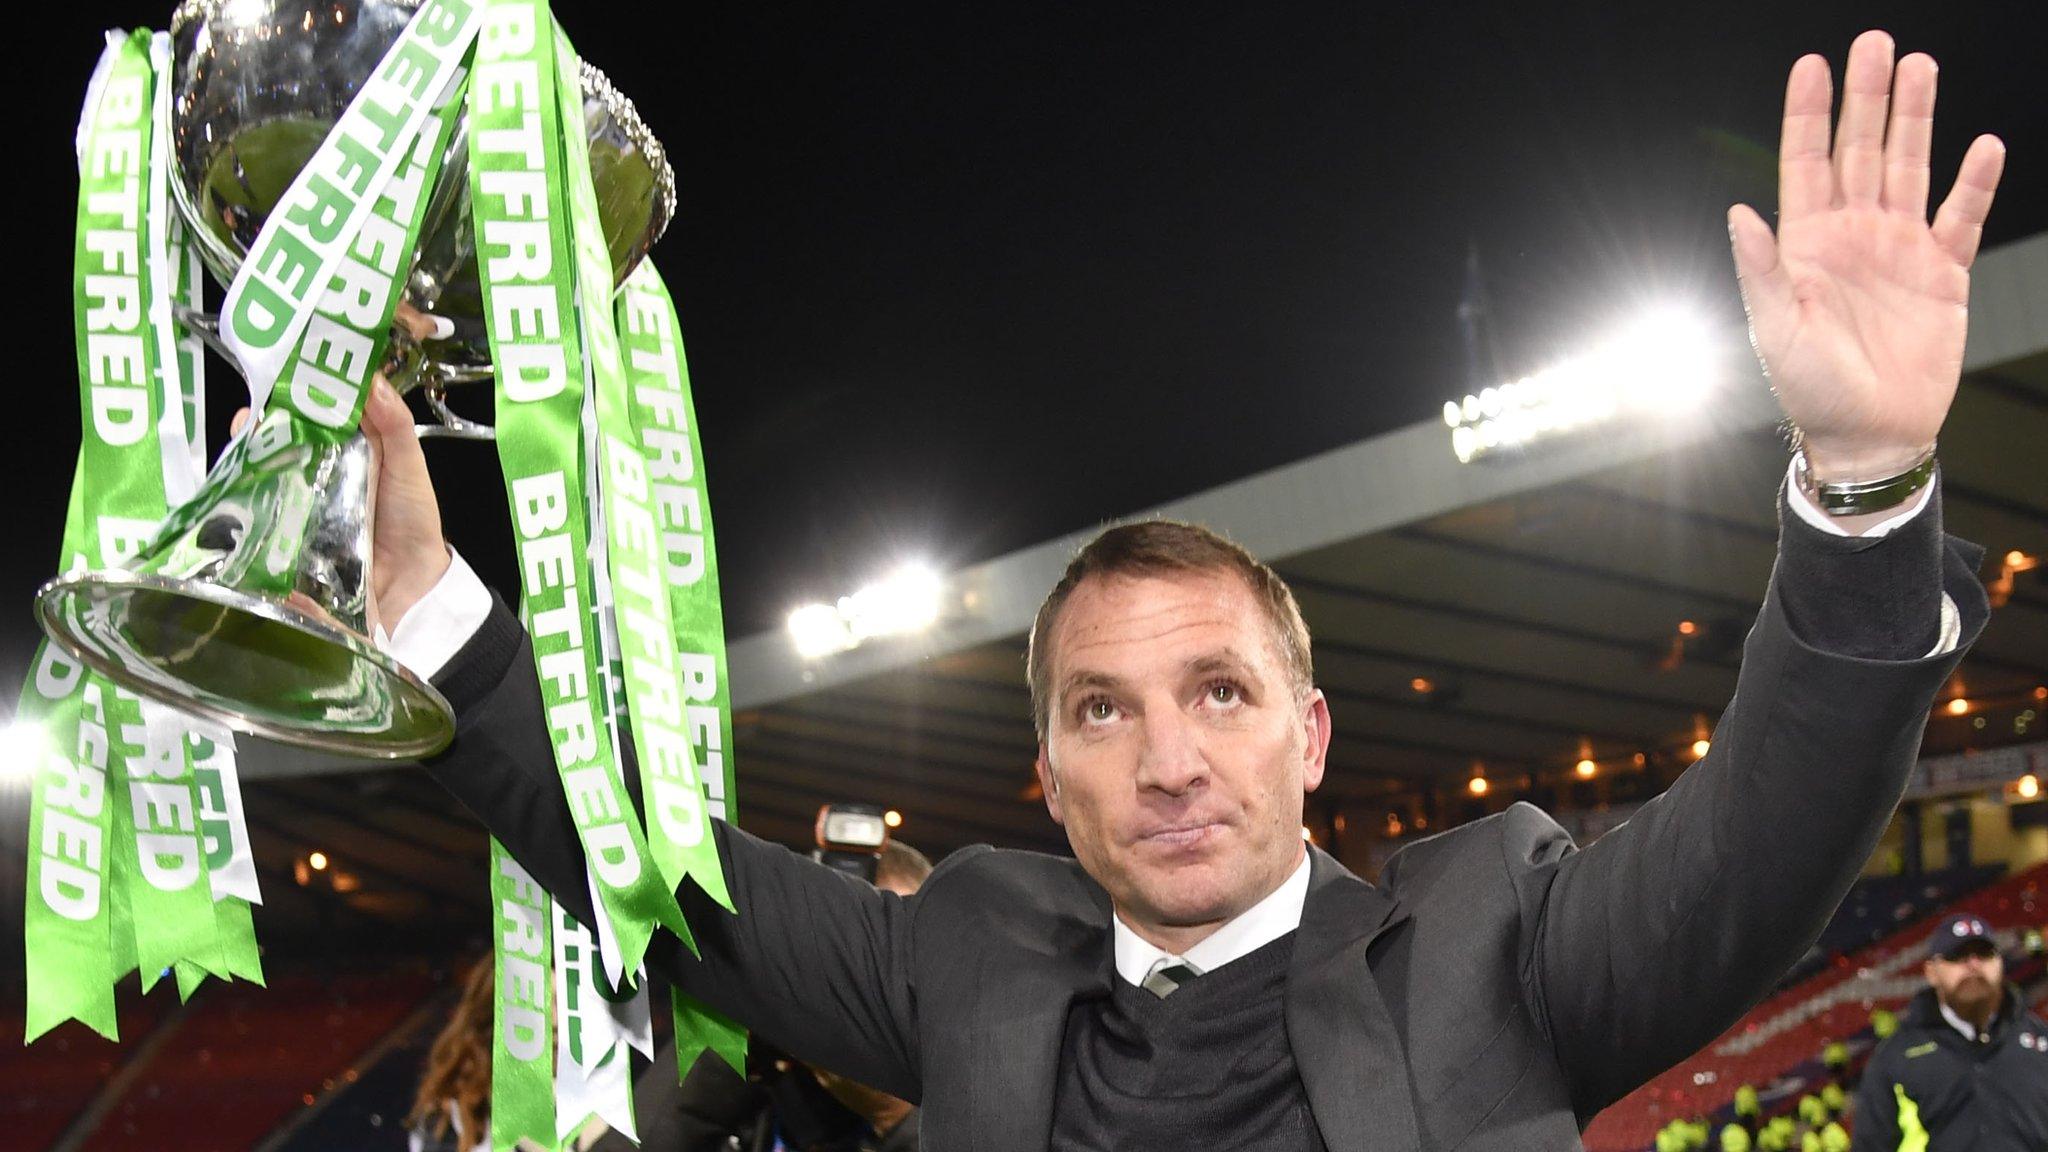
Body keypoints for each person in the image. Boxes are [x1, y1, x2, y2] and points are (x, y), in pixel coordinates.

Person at [362, 30, 2004, 1149]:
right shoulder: (967, 959)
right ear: (1050, 780)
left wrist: (1857, 488)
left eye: (1217, 691)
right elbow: (659, 862)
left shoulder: (1491, 945)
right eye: (1102, 708)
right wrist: (430, 599)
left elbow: (1761, 834)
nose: (1165, 756)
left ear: (1307, 732)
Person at [595, 841, 932, 1152]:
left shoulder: (961, 1098)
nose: (843, 992)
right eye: (831, 956)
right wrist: (729, 1039)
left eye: (877, 966)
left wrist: (896, 1116)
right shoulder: (760, 1086)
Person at [1849, 914, 2048, 1150]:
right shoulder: (1895, 1058)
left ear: (2000, 963)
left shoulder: (2040, 1041)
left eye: (1984, 954)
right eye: (1957, 956)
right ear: (1931, 972)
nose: (1973, 964)